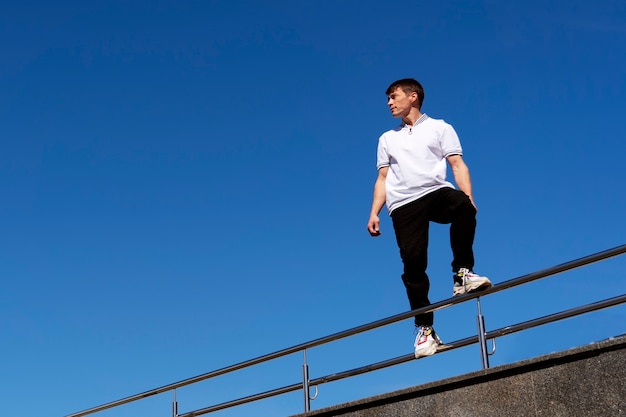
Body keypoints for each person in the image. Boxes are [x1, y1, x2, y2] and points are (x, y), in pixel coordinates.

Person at [367, 78, 492, 358]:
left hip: (435, 192)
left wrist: (468, 197)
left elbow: (457, 164)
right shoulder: (387, 138)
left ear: (413, 97)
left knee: (462, 206)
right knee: (413, 264)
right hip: (403, 204)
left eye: (393, 96)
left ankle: (462, 273)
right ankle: (425, 330)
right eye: (387, 98)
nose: (389, 102)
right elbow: (383, 178)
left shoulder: (440, 128)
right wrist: (374, 212)